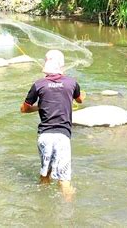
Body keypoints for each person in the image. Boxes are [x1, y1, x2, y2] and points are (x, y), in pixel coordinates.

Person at [20, 49, 85, 200]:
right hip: (62, 137)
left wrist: (39, 106)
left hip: (44, 136)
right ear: (61, 65)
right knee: (64, 181)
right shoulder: (72, 83)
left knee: (44, 176)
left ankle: (42, 209)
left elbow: (24, 109)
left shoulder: (38, 85)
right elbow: (80, 100)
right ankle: (68, 215)